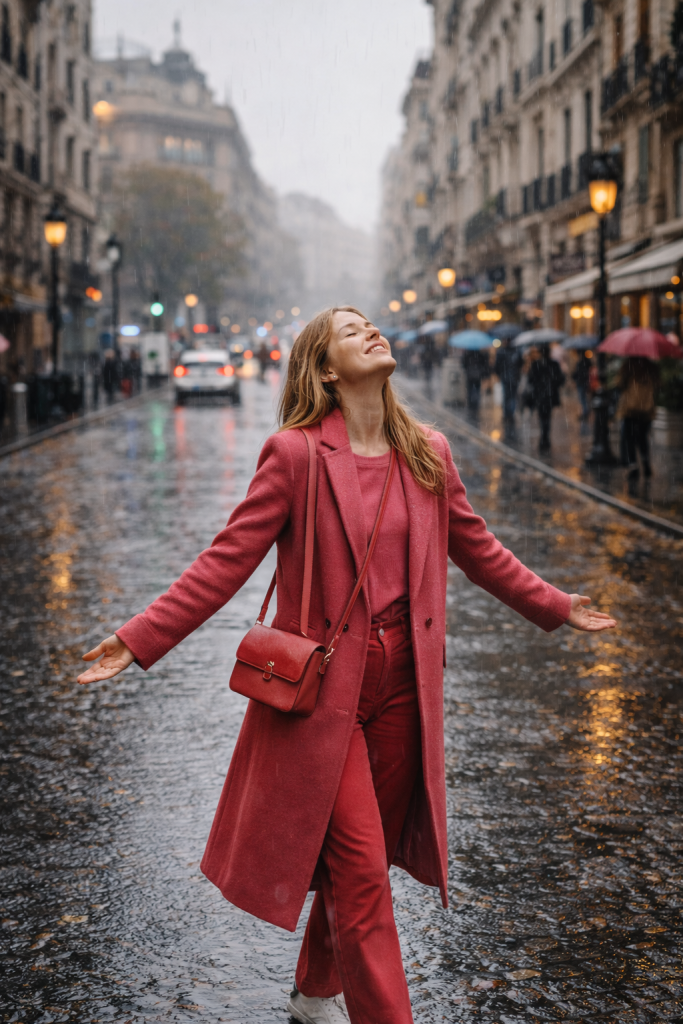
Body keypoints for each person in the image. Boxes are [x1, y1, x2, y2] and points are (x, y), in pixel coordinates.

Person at [77, 307, 616, 1024]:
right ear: (326, 368)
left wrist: (551, 603)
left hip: (403, 690)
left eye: (371, 324)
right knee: (362, 876)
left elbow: (476, 547)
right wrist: (140, 637)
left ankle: (313, 989)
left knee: (364, 863)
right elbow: (225, 561)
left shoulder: (427, 451)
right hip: (321, 693)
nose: (370, 331)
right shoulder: (296, 455)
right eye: (349, 329)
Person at [617, 356, 659, 481]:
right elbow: (658, 385)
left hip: (631, 410)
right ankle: (646, 465)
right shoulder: (651, 367)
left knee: (629, 439)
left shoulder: (628, 366)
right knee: (642, 439)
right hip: (646, 410)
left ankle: (633, 467)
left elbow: (619, 384)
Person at [527, 344, 565, 454]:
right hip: (547, 396)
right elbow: (560, 380)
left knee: (543, 417)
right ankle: (545, 437)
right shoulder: (552, 364)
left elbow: (531, 380)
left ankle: (544, 437)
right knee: (546, 417)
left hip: (543, 396)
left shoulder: (537, 364)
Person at [494, 338, 522, 435]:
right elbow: (520, 364)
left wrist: (499, 373)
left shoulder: (502, 351)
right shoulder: (517, 351)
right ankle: (510, 413)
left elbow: (497, 365)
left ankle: (507, 414)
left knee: (507, 396)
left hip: (506, 377)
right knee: (512, 396)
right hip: (514, 378)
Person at [461, 346, 490, 412]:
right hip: (477, 375)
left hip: (470, 375)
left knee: (470, 390)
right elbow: (484, 364)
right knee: (476, 389)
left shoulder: (467, 354)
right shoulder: (480, 354)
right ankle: (475, 404)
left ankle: (471, 404)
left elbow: (464, 363)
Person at [572, 350, 592, 421]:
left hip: (581, 383)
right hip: (586, 382)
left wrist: (574, 377)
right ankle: (585, 411)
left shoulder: (580, 363)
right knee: (585, 398)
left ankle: (585, 412)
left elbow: (576, 373)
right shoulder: (588, 362)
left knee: (582, 398)